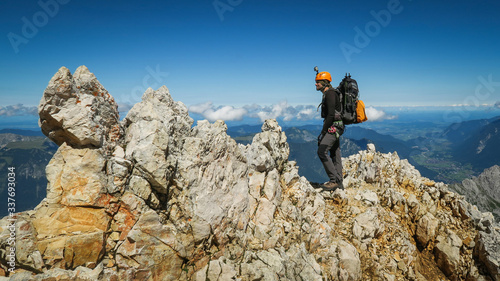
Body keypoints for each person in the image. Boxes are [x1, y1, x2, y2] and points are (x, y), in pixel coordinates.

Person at [315, 71, 344, 191]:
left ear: (324, 82)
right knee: (334, 152)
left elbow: (331, 115)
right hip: (337, 126)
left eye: (318, 82)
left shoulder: (330, 94)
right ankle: (339, 182)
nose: (316, 84)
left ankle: (333, 181)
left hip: (334, 126)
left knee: (322, 151)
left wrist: (323, 133)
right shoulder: (329, 93)